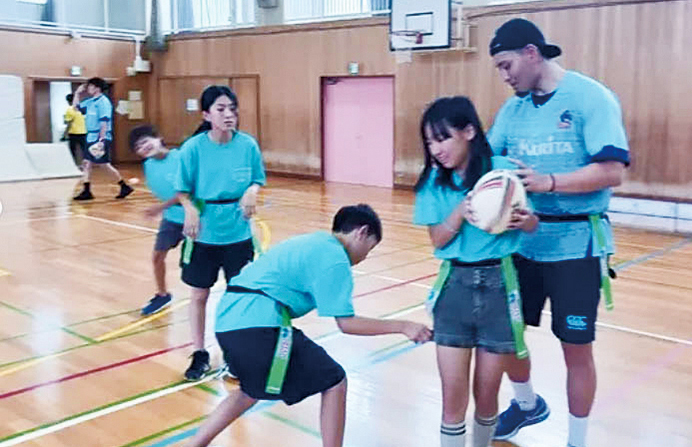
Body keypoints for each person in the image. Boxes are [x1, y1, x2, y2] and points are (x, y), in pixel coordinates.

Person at [487, 18, 630, 447]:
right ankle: (528, 404)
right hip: (521, 242)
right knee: (507, 335)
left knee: (576, 348)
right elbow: (490, 162)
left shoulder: (591, 98)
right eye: (499, 68)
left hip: (576, 246)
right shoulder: (512, 111)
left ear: (532, 53)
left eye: (507, 64)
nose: (505, 75)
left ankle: (577, 440)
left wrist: (549, 181)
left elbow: (613, 170)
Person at [184, 204, 432, 447]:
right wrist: (403, 326)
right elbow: (347, 323)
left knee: (250, 390)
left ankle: (195, 444)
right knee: (335, 381)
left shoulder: (316, 242)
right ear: (362, 232)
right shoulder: (336, 258)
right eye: (370, 248)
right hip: (257, 324)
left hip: (229, 321)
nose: (365, 256)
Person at [414, 96, 538, 447]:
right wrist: (461, 210)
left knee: (487, 397)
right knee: (452, 401)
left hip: (500, 285)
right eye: (429, 142)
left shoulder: (505, 171)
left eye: (442, 138)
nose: (435, 149)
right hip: (454, 288)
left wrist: (526, 220)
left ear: (468, 131)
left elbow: (531, 225)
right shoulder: (433, 182)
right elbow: (438, 241)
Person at [175, 85, 266, 381]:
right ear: (206, 114)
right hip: (203, 233)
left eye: (232, 108)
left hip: (238, 233)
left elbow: (257, 179)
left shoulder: (248, 145)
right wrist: (188, 208)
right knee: (199, 294)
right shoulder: (193, 149)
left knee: (237, 295)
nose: (229, 115)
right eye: (221, 109)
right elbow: (182, 191)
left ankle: (233, 353)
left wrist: (252, 190)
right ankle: (200, 352)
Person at [129, 125, 184, 316]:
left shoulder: (180, 158)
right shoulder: (148, 166)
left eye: (145, 142)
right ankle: (162, 295)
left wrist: (160, 208)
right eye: (138, 147)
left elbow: (188, 191)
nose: (143, 148)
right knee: (157, 256)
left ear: (159, 139)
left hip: (196, 216)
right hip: (172, 218)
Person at [72, 77, 134, 200]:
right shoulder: (90, 102)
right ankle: (87, 190)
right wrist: (77, 93)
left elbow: (104, 122)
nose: (88, 88)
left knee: (104, 165)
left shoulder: (104, 102)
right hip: (90, 136)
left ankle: (123, 186)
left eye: (90, 86)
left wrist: (101, 140)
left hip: (100, 137)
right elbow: (75, 108)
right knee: (87, 163)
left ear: (97, 88)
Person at [64, 93, 86, 165]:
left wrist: (65, 134)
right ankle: (86, 165)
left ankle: (74, 165)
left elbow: (69, 123)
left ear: (68, 101)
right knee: (84, 150)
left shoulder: (70, 110)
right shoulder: (82, 108)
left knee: (73, 151)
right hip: (84, 132)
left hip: (73, 133)